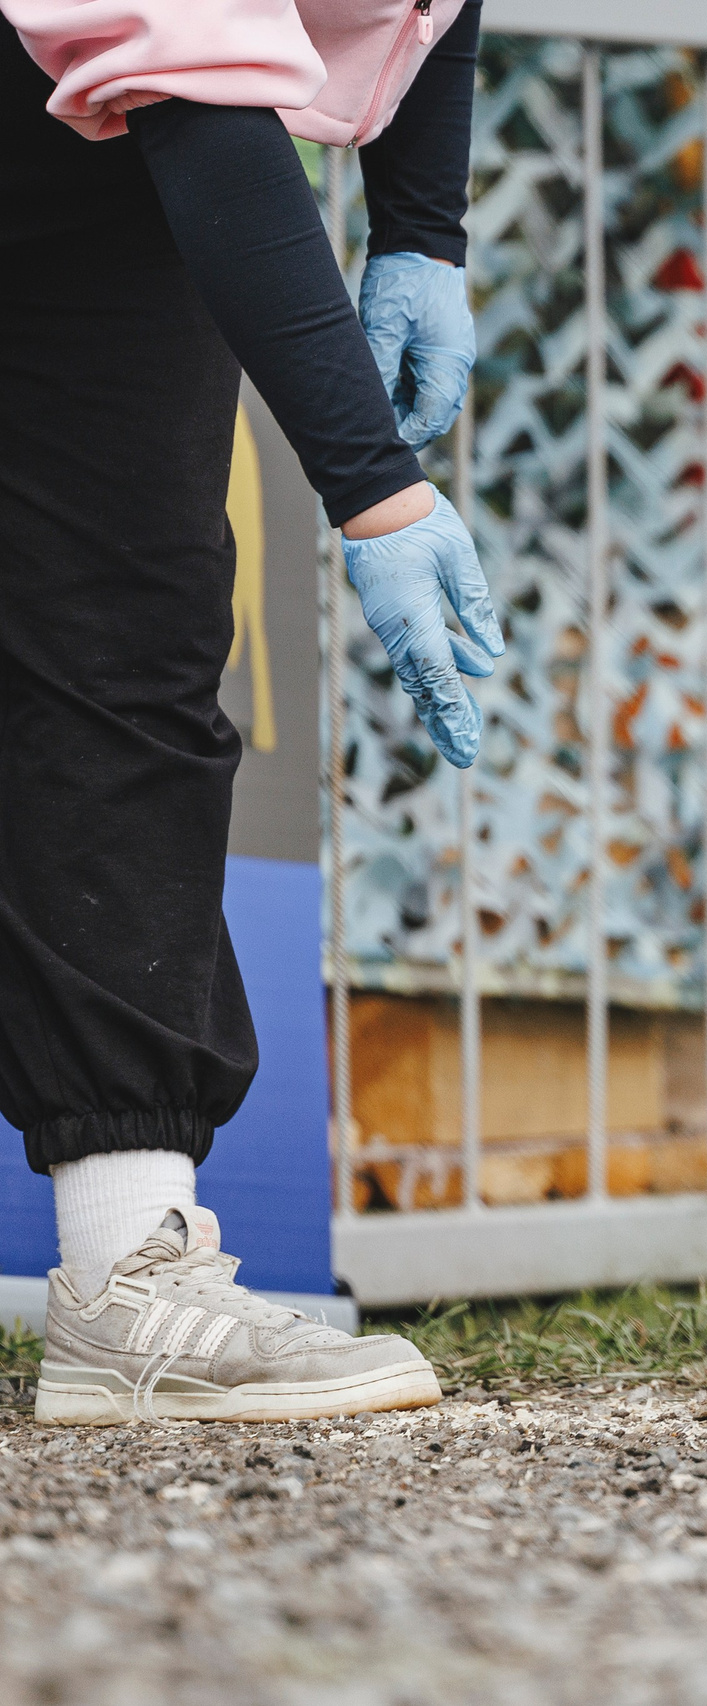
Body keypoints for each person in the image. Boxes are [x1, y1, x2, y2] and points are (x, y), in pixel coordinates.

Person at [0, 0, 503, 1421]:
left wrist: (421, 228)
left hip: (95, 137)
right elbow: (190, 71)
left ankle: (123, 1281)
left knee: (129, 634)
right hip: (135, 76)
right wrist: (379, 486)